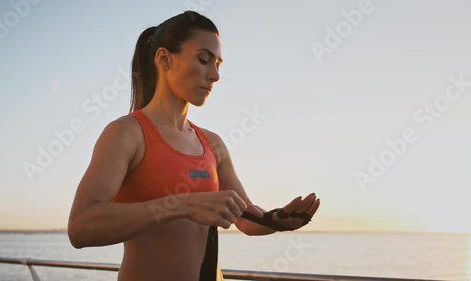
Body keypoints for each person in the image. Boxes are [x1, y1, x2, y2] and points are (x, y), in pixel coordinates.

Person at [67, 10, 320, 281]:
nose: (215, 76)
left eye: (218, 65)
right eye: (203, 60)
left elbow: (245, 217)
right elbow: (81, 228)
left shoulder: (213, 143)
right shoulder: (127, 133)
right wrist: (182, 205)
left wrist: (275, 221)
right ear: (164, 58)